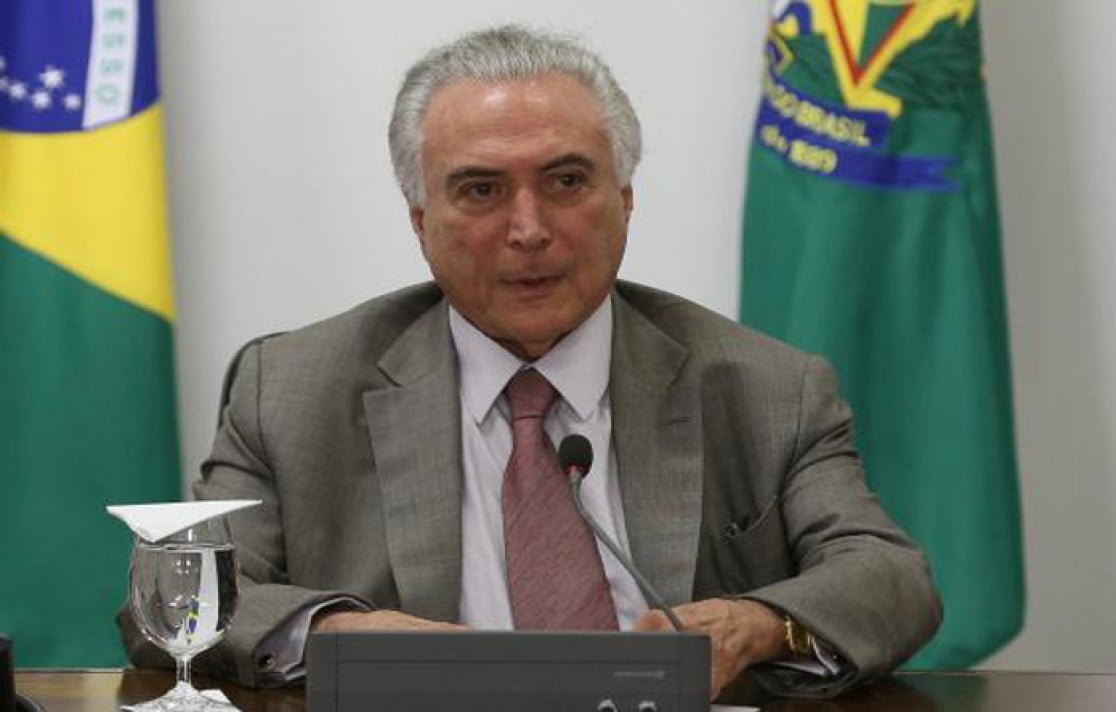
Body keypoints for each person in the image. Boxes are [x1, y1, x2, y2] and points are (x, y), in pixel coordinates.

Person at [119, 25, 940, 700]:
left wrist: (756, 624)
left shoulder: (768, 388)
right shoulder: (292, 387)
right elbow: (172, 601)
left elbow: (891, 579)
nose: (529, 230)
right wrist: (338, 633)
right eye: (480, 190)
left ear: (625, 200)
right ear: (420, 219)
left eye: (567, 181)